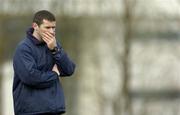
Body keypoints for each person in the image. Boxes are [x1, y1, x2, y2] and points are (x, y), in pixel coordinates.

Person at [13, 10, 76, 115]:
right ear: (35, 26)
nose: (51, 31)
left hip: (54, 109)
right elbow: (31, 77)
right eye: (47, 27)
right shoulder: (23, 49)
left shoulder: (54, 45)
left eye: (53, 27)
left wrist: (55, 50)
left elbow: (69, 69)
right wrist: (55, 74)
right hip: (31, 111)